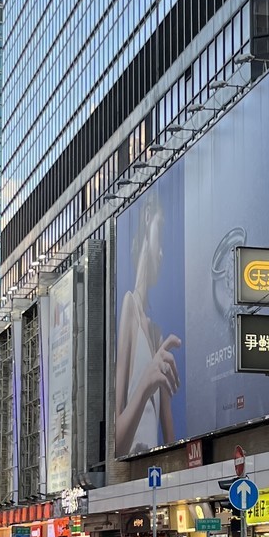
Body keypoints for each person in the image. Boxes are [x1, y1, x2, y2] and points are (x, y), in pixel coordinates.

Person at [114, 192, 182, 454]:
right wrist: (145, 384)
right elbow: (117, 443)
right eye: (161, 233)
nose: (162, 253)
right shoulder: (128, 306)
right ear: (146, 217)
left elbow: (171, 443)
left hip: (153, 482)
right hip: (130, 478)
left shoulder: (156, 334)